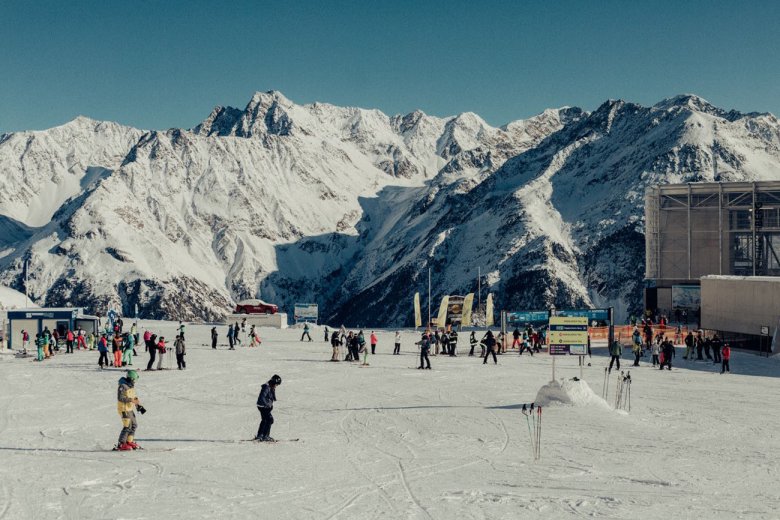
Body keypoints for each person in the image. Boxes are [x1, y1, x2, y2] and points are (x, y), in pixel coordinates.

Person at [115, 369, 144, 451]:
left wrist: (138, 405)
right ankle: (121, 444)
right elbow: (120, 398)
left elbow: (133, 396)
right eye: (134, 380)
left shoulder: (130, 386)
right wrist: (131, 400)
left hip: (129, 408)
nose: (135, 382)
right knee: (127, 426)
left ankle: (129, 441)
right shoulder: (122, 386)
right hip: (123, 409)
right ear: (130, 379)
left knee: (134, 425)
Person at [255, 374, 282, 441]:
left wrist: (271, 403)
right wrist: (267, 405)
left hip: (263, 406)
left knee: (264, 420)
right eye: (276, 384)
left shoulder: (270, 386)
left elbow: (270, 396)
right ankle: (265, 436)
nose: (276, 386)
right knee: (269, 420)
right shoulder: (267, 387)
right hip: (263, 407)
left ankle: (260, 435)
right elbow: (262, 397)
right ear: (273, 382)